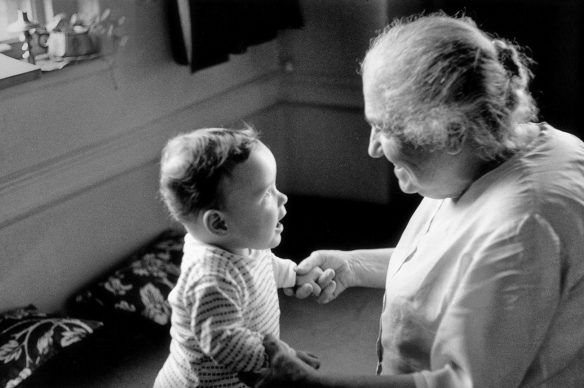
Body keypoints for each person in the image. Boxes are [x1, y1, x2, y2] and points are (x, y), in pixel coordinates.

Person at [244, 12, 584, 388]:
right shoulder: (499, 149)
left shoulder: (521, 229)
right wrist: (354, 265)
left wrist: (313, 385)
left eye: (385, 128)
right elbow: (456, 263)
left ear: (452, 133)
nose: (373, 148)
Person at [154, 126, 329, 388]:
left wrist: (293, 275)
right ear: (220, 223)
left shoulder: (240, 242)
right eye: (267, 193)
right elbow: (226, 343)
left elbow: (262, 265)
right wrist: (281, 358)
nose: (282, 197)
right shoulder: (210, 279)